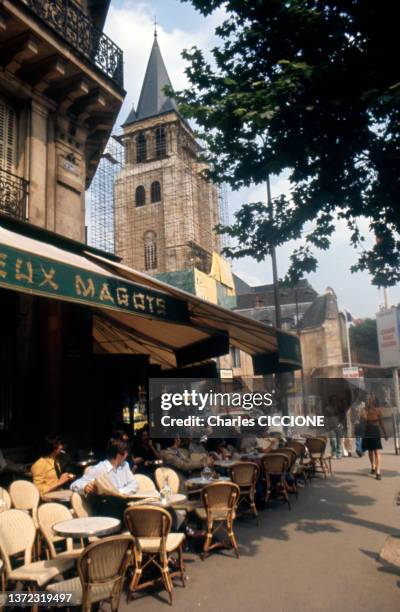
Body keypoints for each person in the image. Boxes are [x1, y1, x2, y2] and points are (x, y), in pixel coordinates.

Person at [71, 438, 138, 495]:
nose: (127, 456)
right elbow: (74, 485)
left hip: (125, 503)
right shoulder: (99, 469)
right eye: (126, 453)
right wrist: (85, 487)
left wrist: (119, 492)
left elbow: (134, 484)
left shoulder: (125, 465)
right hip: (106, 506)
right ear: (119, 455)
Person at [361, 395, 387, 479]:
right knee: (370, 451)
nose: (368, 402)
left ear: (373, 401)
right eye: (367, 400)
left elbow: (381, 423)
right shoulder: (364, 411)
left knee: (377, 451)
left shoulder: (378, 411)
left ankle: (378, 471)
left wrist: (385, 433)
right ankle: (373, 466)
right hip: (367, 431)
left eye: (370, 400)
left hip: (375, 431)